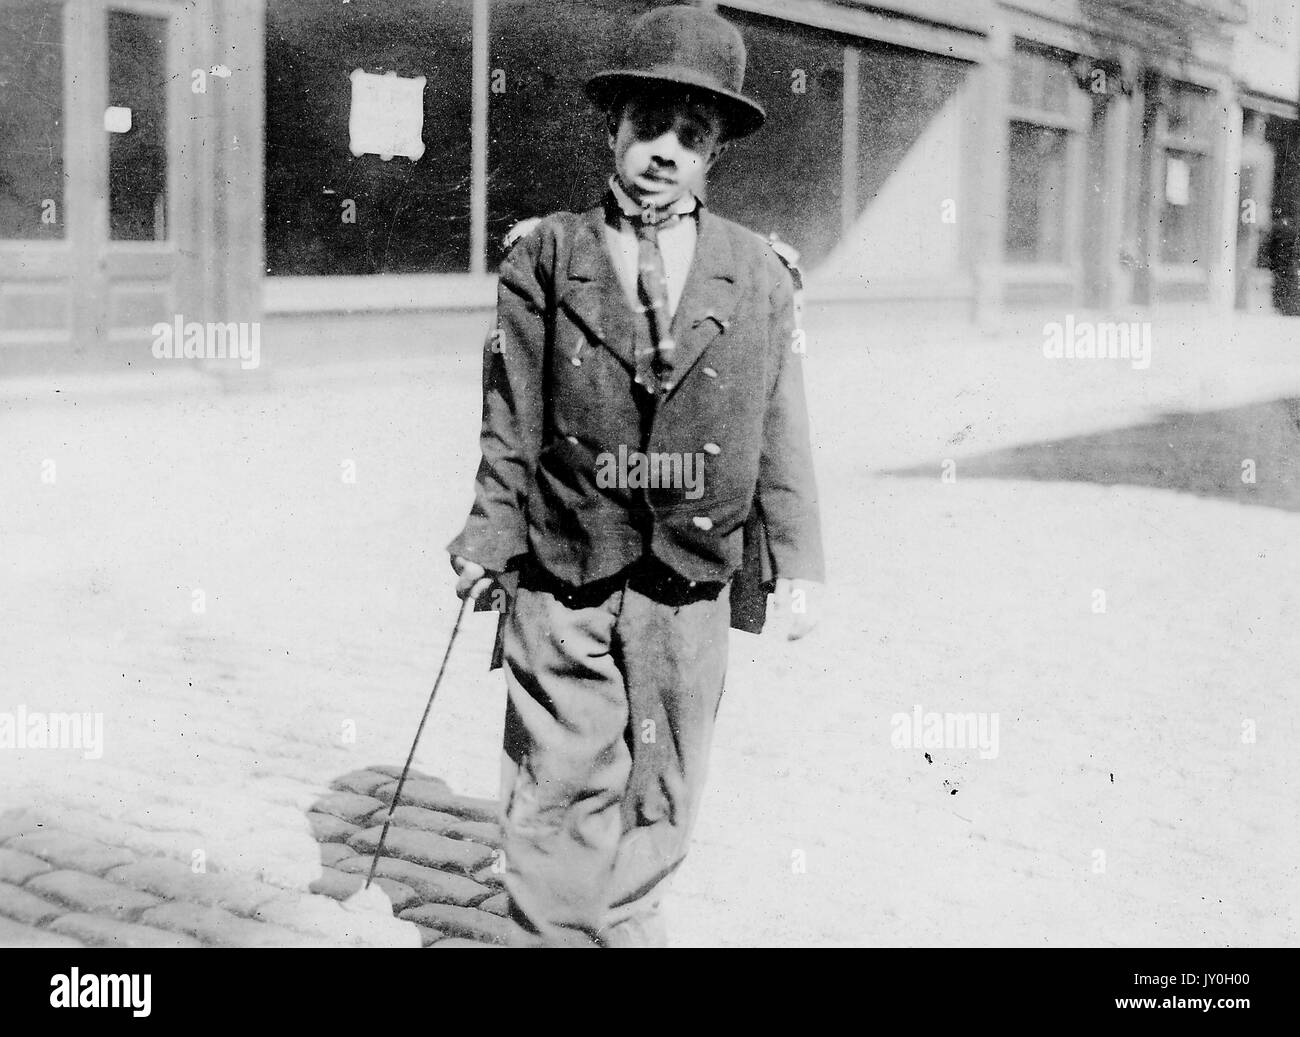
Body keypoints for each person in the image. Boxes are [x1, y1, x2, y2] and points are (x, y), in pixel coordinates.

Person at [448, 4, 825, 947]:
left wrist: (798, 560)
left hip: (689, 579)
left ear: (715, 156)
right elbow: (510, 415)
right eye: (645, 126)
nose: (664, 151)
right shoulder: (545, 256)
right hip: (565, 563)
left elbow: (782, 423)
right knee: (557, 775)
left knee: (662, 786)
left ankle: (624, 926)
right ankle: (551, 936)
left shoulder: (759, 273)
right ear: (610, 129)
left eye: (689, 136)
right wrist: (491, 536)